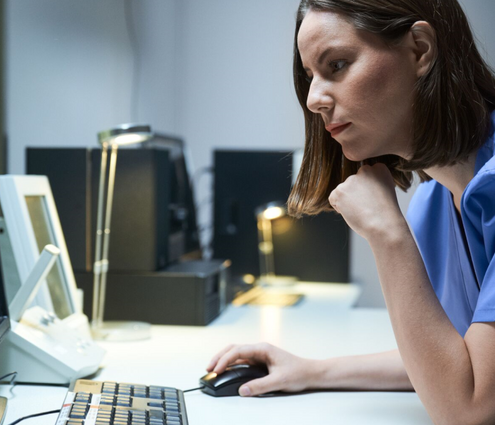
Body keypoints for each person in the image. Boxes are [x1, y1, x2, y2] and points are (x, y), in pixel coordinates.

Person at [206, 1, 495, 424]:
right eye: (310, 78)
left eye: (337, 65)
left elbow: (468, 406)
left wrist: (387, 233)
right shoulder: (435, 201)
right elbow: (455, 361)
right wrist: (311, 371)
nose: (313, 100)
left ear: (419, 50)